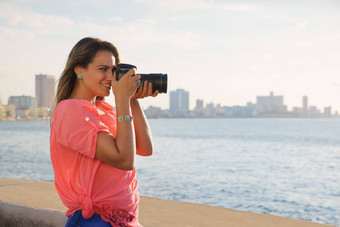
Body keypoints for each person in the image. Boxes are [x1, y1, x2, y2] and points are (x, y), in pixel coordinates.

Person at [50, 37, 158, 226]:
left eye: (113, 70)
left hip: (122, 220)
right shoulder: (70, 110)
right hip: (95, 220)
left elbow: (144, 148)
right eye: (103, 69)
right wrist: (122, 100)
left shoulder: (103, 110)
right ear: (79, 70)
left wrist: (132, 100)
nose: (110, 77)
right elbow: (124, 160)